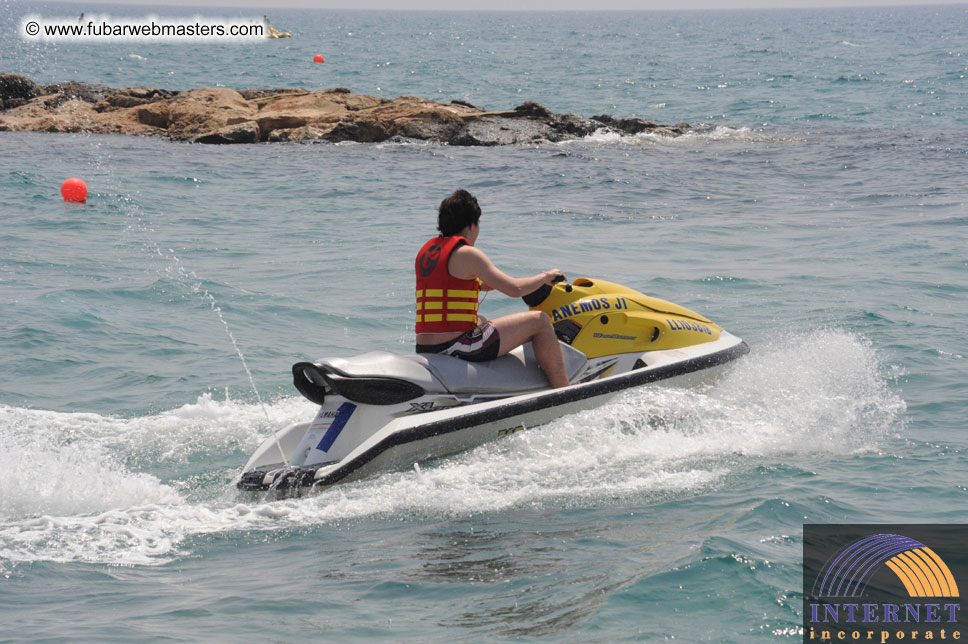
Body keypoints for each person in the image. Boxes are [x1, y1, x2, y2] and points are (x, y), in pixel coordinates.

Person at [415, 189, 569, 389]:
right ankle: (564, 390)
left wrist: (532, 282)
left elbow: (485, 284)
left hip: (426, 347)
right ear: (472, 225)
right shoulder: (468, 254)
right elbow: (515, 290)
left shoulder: (427, 253)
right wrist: (546, 276)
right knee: (539, 321)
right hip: (456, 347)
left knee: (482, 320)